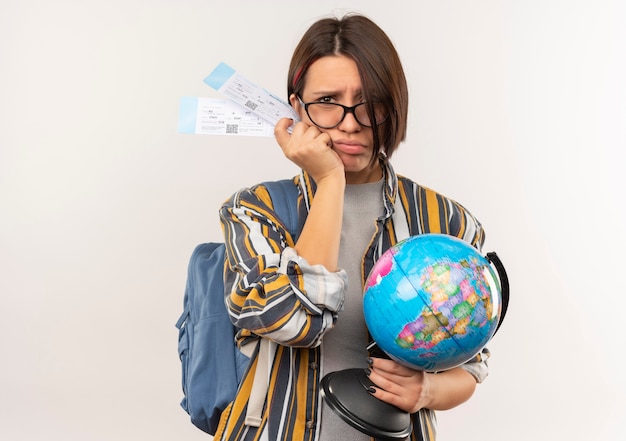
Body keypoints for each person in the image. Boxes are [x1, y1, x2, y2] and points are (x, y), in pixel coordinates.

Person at [217, 13, 490, 441]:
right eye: (328, 100)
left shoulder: (446, 222)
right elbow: (293, 323)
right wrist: (329, 181)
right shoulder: (255, 210)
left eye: (370, 101)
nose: (350, 121)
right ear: (297, 108)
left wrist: (426, 389)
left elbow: (471, 363)